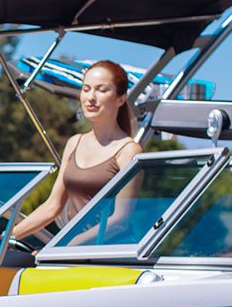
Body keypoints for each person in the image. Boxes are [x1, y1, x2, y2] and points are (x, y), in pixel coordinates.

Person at [10, 60, 144, 243]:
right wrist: (5, 238)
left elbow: (120, 220)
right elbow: (52, 206)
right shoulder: (74, 143)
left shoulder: (129, 151)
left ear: (121, 98)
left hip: (110, 254)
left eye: (101, 90)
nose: (91, 97)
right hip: (72, 250)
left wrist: (64, 245)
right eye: (86, 89)